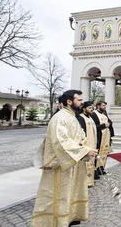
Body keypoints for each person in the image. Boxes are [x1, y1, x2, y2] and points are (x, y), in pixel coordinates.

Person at [32, 90, 98, 227]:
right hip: (60, 167)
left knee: (69, 194)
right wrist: (84, 151)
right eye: (79, 100)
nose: (81, 103)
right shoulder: (59, 118)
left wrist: (84, 145)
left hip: (72, 164)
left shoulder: (72, 117)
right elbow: (61, 142)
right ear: (69, 101)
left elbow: (79, 136)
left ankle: (67, 219)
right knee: (59, 197)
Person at [76, 101, 98, 186]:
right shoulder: (81, 118)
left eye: (92, 108)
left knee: (91, 163)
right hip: (86, 145)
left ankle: (90, 181)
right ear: (84, 108)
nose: (91, 109)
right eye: (89, 108)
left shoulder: (90, 118)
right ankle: (85, 182)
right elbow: (81, 134)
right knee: (86, 164)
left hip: (92, 144)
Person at [91, 101, 111, 178]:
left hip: (105, 136)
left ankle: (101, 168)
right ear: (98, 106)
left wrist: (109, 124)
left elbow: (109, 121)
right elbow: (94, 126)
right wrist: (103, 125)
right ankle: (95, 171)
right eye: (103, 106)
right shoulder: (94, 114)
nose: (104, 107)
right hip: (99, 137)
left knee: (104, 153)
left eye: (105, 106)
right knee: (98, 153)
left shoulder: (104, 113)